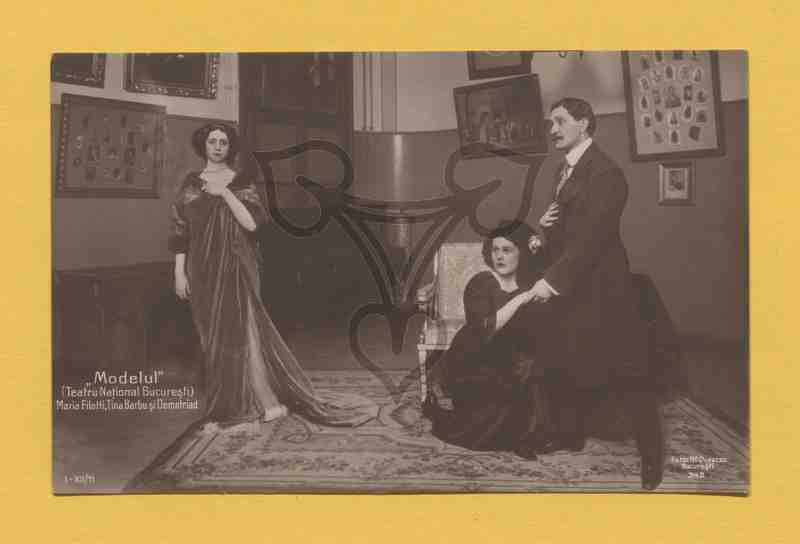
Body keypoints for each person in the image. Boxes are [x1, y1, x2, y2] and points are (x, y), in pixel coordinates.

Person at [169, 123, 378, 432]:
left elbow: (252, 224)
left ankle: (265, 401)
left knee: (246, 331)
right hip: (201, 271)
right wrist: (179, 272)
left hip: (237, 266)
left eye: (223, 142)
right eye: (212, 141)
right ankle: (230, 401)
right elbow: (180, 231)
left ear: (230, 147)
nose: (217, 147)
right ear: (204, 145)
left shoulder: (241, 182)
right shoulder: (190, 184)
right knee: (213, 339)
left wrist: (224, 192)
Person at [526, 98, 664, 490]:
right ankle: (568, 435)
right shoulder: (564, 169)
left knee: (629, 373)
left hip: (605, 288)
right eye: (551, 122)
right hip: (573, 285)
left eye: (560, 121)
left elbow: (591, 239)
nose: (553, 129)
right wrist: (541, 236)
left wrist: (551, 281)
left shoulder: (606, 174)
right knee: (565, 359)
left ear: (584, 123)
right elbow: (568, 230)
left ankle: (652, 456)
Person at [424, 220, 550, 458]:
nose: (499, 256)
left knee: (534, 371)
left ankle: (525, 435)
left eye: (507, 250)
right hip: (476, 357)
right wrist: (521, 299)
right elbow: (485, 329)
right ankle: (512, 434)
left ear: (522, 253)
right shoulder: (482, 282)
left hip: (512, 354)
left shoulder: (529, 282)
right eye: (495, 250)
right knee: (494, 403)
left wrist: (538, 243)